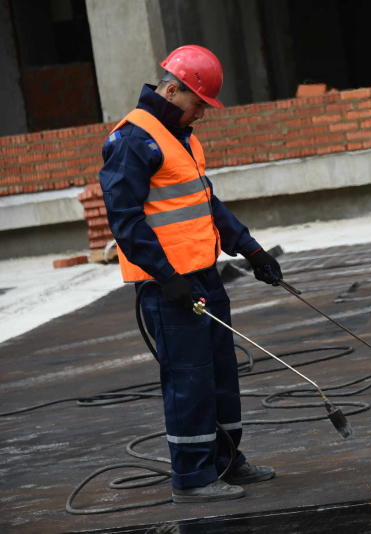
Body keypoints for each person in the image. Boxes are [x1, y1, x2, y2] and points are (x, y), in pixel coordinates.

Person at [99, 45, 283, 503]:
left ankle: (224, 462)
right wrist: (166, 277)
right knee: (189, 380)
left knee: (221, 373)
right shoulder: (133, 139)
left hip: (203, 275)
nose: (201, 112)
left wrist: (251, 249)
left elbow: (205, 204)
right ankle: (192, 477)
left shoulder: (183, 136)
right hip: (169, 287)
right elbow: (125, 221)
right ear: (172, 88)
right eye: (197, 101)